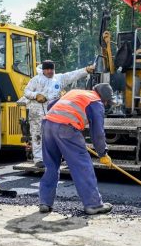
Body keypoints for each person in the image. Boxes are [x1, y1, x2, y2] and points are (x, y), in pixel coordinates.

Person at [39, 83, 114, 215]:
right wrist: (102, 153)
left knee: (51, 166)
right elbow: (97, 132)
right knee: (82, 166)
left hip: (47, 125)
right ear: (105, 99)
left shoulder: (75, 92)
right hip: (66, 129)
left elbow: (52, 105)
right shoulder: (96, 102)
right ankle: (94, 205)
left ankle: (45, 203)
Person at [23, 60, 95, 167]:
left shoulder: (58, 79)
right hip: (37, 112)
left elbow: (72, 75)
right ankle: (38, 159)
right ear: (43, 70)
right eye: (47, 69)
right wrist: (36, 95)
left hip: (53, 112)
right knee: (38, 135)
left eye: (51, 69)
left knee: (55, 135)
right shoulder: (36, 80)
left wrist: (86, 70)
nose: (49, 71)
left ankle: (55, 157)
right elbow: (26, 92)